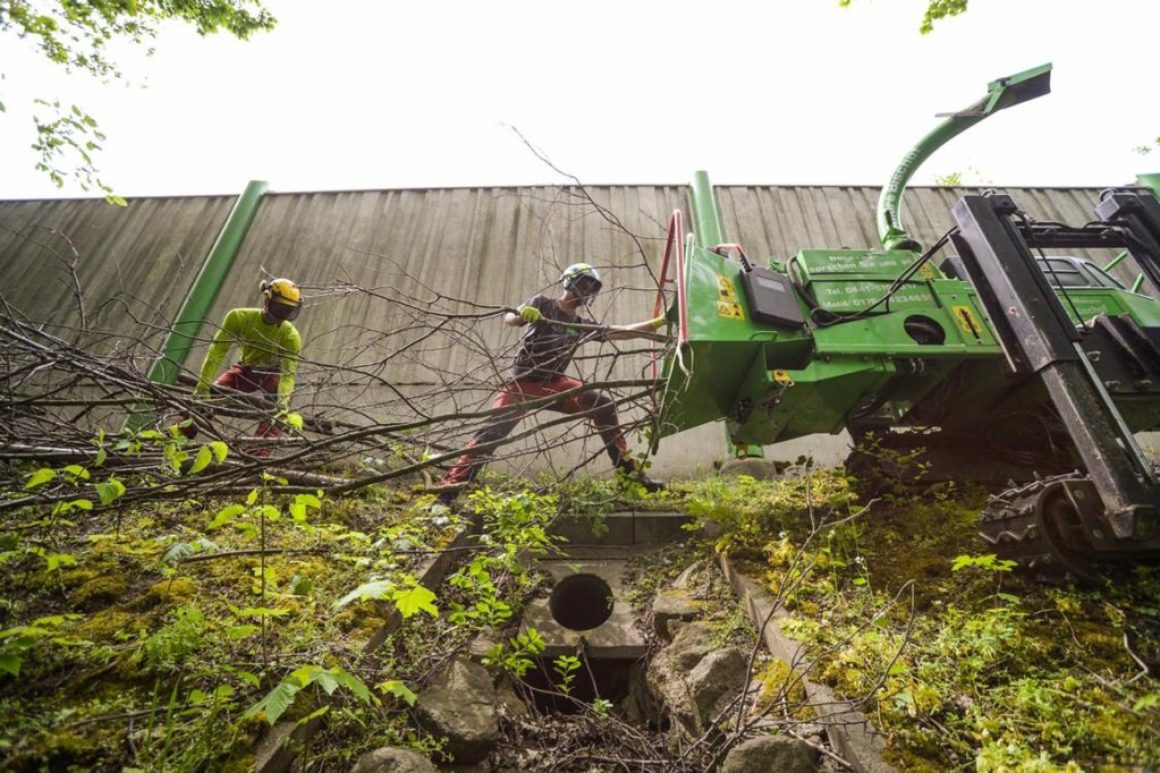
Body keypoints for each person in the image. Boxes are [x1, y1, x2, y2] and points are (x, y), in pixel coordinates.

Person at [438, 262, 666, 502]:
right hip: (522, 384)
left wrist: (657, 323)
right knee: (490, 435)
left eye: (592, 288)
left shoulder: (580, 324)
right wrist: (522, 315)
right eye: (585, 284)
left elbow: (621, 331)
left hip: (556, 385)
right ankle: (448, 491)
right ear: (570, 282)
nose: (588, 291)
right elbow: (510, 317)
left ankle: (630, 476)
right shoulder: (542, 304)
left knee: (602, 404)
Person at [178, 278, 303, 447]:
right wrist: (203, 385)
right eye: (280, 308)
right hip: (245, 370)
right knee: (208, 398)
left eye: (288, 311)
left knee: (275, 419)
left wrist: (283, 403)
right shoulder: (239, 317)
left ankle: (257, 462)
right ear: (267, 300)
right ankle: (174, 439)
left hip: (274, 375)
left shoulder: (290, 336)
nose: (282, 316)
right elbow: (217, 351)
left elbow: (288, 374)